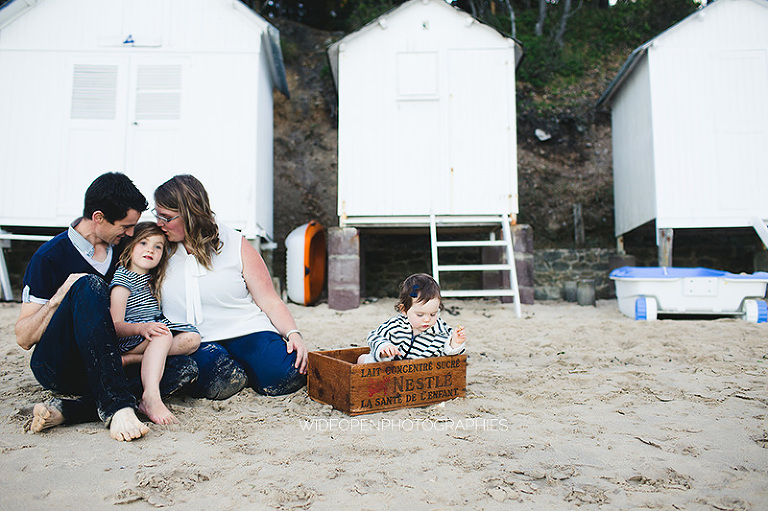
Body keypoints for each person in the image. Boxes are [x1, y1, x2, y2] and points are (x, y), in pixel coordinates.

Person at [15, 172, 198, 441]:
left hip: (110, 362)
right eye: (125, 226)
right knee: (89, 285)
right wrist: (60, 296)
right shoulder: (50, 257)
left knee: (185, 369)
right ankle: (118, 408)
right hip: (62, 365)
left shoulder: (124, 249)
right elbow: (23, 337)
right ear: (98, 218)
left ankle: (70, 411)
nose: (130, 233)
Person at [152, 174, 308, 399]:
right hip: (195, 340)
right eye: (157, 215)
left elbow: (270, 300)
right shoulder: (156, 247)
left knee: (288, 373)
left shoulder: (235, 243)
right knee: (220, 378)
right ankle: (237, 370)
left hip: (245, 329)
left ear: (190, 213)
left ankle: (254, 367)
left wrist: (294, 334)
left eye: (166, 217)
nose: (160, 223)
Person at [110, 222, 201, 425]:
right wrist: (141, 328)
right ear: (130, 246)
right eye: (143, 243)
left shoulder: (152, 280)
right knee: (163, 335)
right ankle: (150, 397)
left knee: (192, 339)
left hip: (150, 335)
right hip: (131, 336)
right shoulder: (123, 279)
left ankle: (133, 359)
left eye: (157, 246)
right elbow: (115, 325)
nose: (150, 249)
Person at [358, 273, 467, 364]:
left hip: (418, 374)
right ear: (404, 310)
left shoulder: (441, 330)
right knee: (368, 360)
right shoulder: (396, 325)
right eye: (420, 315)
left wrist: (455, 343)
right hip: (392, 367)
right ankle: (362, 360)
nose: (427, 319)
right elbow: (374, 336)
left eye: (433, 314)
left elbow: (448, 356)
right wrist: (384, 346)